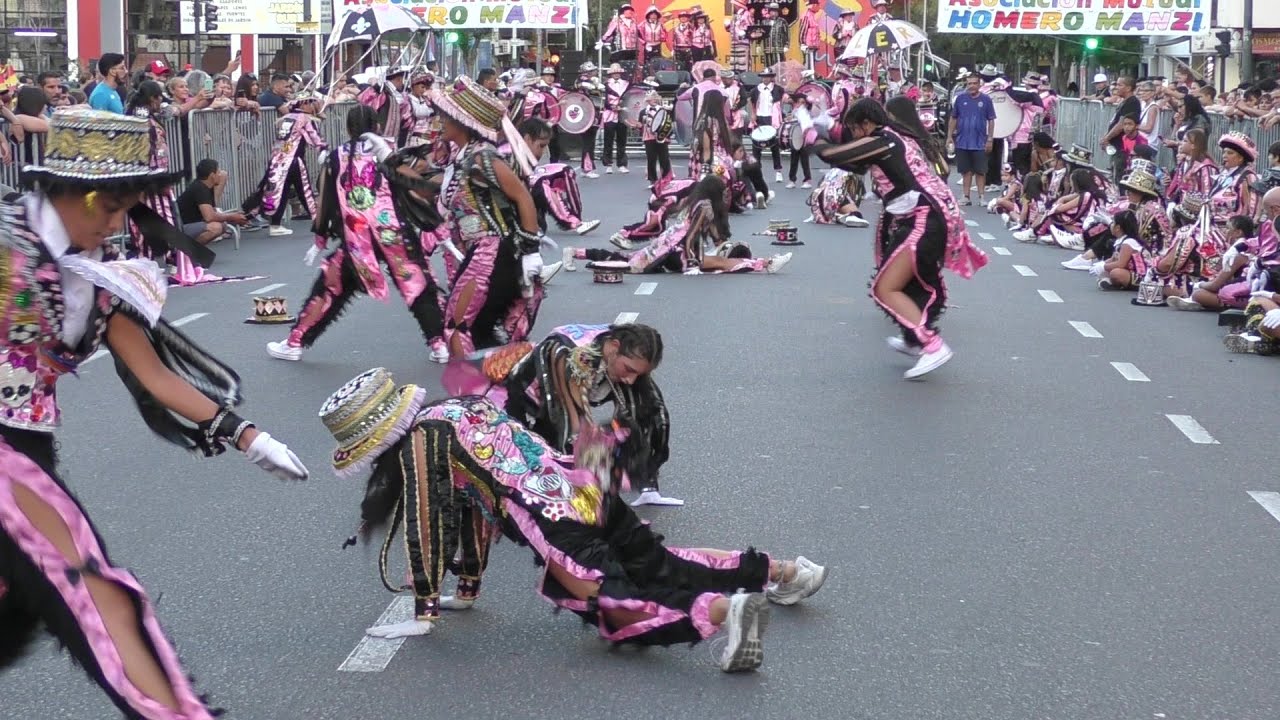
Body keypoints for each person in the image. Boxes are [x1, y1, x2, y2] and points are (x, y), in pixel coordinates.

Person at [0, 108, 307, 720]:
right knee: (90, 586)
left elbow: (154, 373)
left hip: (30, 447)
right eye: (105, 205)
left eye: (126, 206)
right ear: (64, 190)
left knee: (12, 610)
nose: (115, 223)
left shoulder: (98, 278)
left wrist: (248, 435)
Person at [324, 369, 826, 673]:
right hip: (588, 486)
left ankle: (725, 614)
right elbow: (475, 509)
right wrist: (469, 591)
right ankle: (783, 572)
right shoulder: (461, 407)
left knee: (614, 609)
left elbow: (432, 521)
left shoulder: (422, 443)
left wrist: (424, 609)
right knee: (660, 564)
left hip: (557, 522)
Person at [819, 98, 988, 379]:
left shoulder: (883, 140)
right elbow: (856, 165)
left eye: (855, 129)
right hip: (925, 216)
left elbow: (835, 156)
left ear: (866, 123)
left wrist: (813, 136)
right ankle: (914, 339)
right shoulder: (893, 139)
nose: (855, 135)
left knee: (885, 288)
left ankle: (932, 345)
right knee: (913, 282)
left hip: (924, 219)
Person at [266, 105, 449, 364]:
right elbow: (414, 185)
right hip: (393, 233)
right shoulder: (386, 153)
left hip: (357, 238)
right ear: (375, 126)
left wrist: (319, 239)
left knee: (330, 287)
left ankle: (295, 341)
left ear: (348, 129)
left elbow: (326, 200)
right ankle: (439, 344)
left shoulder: (335, 157)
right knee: (417, 286)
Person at [450, 323, 679, 506]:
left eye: (638, 373)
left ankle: (648, 488)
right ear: (613, 347)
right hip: (517, 391)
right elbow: (572, 427)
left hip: (565, 387)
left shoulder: (623, 349)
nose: (631, 379)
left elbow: (655, 415)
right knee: (518, 457)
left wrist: (645, 472)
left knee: (652, 412)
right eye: (628, 370)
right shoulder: (567, 354)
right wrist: (596, 478)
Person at [434, 77, 550, 357]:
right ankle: (487, 388)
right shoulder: (463, 157)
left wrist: (531, 250)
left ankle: (469, 390)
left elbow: (523, 196)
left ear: (463, 121)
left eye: (446, 116)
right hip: (477, 251)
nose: (441, 121)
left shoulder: (483, 158)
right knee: (476, 328)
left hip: (491, 251)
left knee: (457, 324)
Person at [566, 175, 792, 275]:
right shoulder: (705, 207)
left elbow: (709, 235)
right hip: (677, 253)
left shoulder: (702, 204)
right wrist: (692, 264)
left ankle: (576, 252)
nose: (726, 195)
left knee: (626, 257)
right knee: (723, 263)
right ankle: (766, 264)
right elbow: (692, 236)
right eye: (723, 191)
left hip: (671, 246)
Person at [240, 92, 326, 236]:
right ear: (304, 104)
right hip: (293, 159)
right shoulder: (304, 118)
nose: (314, 106)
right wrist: (324, 149)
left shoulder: (287, 118)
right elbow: (315, 136)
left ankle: (273, 223)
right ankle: (319, 222)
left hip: (277, 159)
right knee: (304, 191)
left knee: (280, 191)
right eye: (311, 103)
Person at [518, 118, 602, 236]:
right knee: (542, 183)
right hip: (518, 191)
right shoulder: (509, 153)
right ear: (526, 139)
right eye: (541, 146)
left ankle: (577, 218)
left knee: (565, 170)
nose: (542, 152)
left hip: (529, 178)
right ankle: (571, 222)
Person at [946, 72, 995, 206]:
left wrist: (990, 139)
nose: (972, 86)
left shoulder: (986, 100)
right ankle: (966, 196)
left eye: (974, 83)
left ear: (979, 84)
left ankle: (981, 197)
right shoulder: (960, 99)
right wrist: (950, 137)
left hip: (980, 142)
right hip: (963, 141)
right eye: (969, 83)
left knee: (980, 171)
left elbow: (991, 120)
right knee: (965, 171)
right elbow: (953, 118)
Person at [177, 158, 247, 248]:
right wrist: (232, 216)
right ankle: (186, 252)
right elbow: (209, 217)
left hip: (190, 224)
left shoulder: (205, 187)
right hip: (180, 227)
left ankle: (192, 252)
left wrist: (233, 217)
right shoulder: (200, 189)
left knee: (222, 225)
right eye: (218, 172)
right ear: (212, 175)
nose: (220, 174)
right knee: (215, 228)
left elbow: (211, 213)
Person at [1099, 76, 1140, 182]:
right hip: (1115, 145)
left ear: (1128, 88)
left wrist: (1106, 138)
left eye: (1120, 85)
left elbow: (1121, 124)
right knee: (1114, 173)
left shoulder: (1132, 102)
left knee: (1119, 176)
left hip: (1122, 147)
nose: (1116, 87)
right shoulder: (1124, 101)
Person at [750, 69, 784, 183]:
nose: (765, 79)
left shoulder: (777, 89)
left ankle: (778, 171)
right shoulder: (756, 89)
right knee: (756, 147)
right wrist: (753, 114)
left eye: (768, 76)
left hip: (771, 117)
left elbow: (782, 101)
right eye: (764, 76)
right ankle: (757, 171)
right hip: (760, 117)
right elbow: (752, 102)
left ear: (771, 77)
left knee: (774, 146)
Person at [601, 63, 632, 174]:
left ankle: (622, 164)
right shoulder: (605, 84)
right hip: (610, 114)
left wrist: (623, 107)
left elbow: (630, 97)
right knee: (608, 140)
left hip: (622, 114)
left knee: (622, 140)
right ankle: (608, 164)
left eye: (617, 72)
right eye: (614, 73)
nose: (616, 74)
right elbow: (602, 99)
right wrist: (611, 106)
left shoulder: (627, 84)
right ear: (611, 74)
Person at [640, 88, 673, 182]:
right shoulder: (643, 112)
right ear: (647, 100)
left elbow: (669, 123)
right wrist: (637, 125)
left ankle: (666, 178)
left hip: (662, 137)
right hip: (648, 137)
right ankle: (652, 179)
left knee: (664, 158)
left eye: (655, 97)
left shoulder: (664, 110)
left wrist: (668, 135)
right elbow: (640, 125)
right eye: (651, 98)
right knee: (651, 159)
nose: (654, 99)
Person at [785, 92, 815, 189]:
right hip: (795, 138)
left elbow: (807, 124)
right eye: (797, 102)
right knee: (794, 160)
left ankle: (807, 179)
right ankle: (792, 179)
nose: (798, 104)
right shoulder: (795, 111)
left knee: (804, 160)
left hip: (804, 138)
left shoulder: (805, 112)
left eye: (801, 102)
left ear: (805, 104)